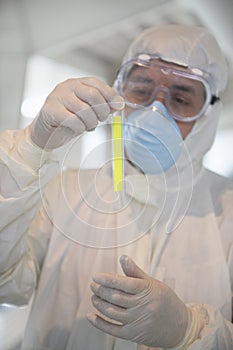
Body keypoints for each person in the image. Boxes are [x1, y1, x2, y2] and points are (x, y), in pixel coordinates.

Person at [0, 24, 233, 350]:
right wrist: (31, 147)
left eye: (180, 98)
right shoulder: (66, 189)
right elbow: (6, 284)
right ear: (119, 92)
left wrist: (189, 331)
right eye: (141, 89)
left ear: (208, 116)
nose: (156, 111)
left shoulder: (229, 213)